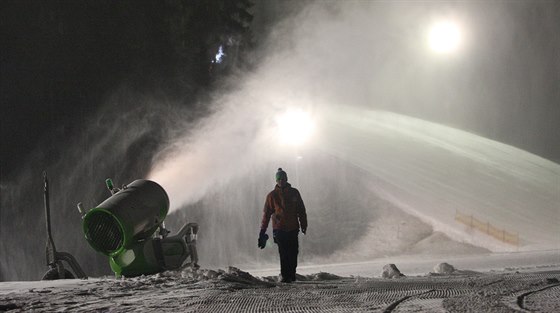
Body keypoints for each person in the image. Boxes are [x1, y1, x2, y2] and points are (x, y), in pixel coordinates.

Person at [258, 168, 307, 283]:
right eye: (279, 179)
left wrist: (304, 225)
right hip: (279, 229)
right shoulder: (272, 196)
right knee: (284, 253)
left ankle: (291, 274)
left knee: (293, 253)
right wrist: (262, 231)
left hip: (293, 228)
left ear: (286, 179)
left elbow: (301, 210)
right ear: (276, 180)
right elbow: (266, 214)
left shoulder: (294, 192)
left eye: (283, 178)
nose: (281, 181)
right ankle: (285, 276)